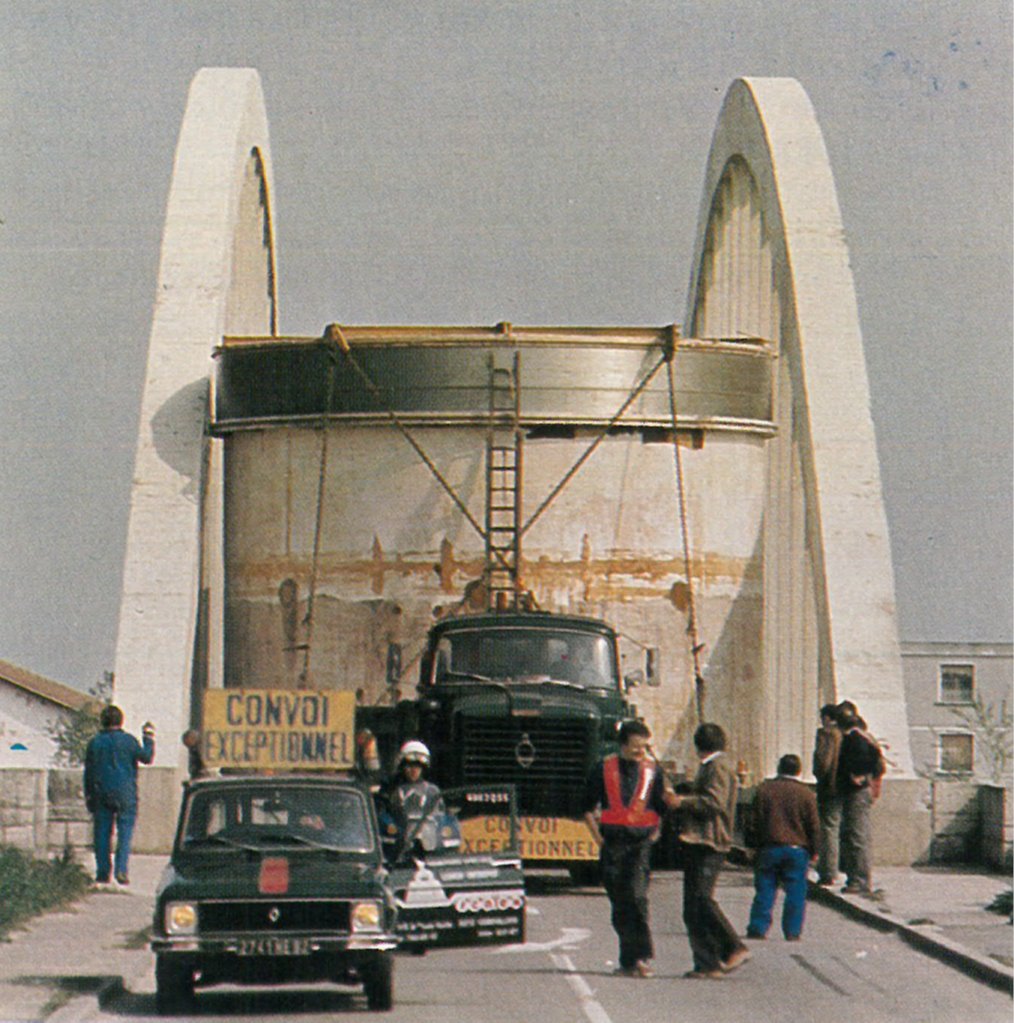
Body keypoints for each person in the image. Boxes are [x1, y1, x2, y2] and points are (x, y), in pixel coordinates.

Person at [583, 719, 676, 979]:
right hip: (612, 845)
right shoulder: (602, 769)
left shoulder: (653, 771)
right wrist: (599, 840)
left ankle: (641, 957)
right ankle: (628, 961)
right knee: (620, 904)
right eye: (636, 747)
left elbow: (662, 807)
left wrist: (656, 833)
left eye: (644, 747)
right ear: (622, 745)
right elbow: (585, 808)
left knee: (637, 897)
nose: (641, 752)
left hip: (640, 845)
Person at [669, 722, 750, 979]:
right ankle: (707, 962)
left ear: (698, 746)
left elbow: (714, 802)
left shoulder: (717, 767)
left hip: (709, 840)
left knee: (701, 899)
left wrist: (682, 802)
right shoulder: (712, 767)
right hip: (700, 839)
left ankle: (732, 947)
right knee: (692, 905)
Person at [746, 754, 820, 941]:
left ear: (779, 768)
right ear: (799, 771)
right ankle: (792, 931)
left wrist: (751, 845)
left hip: (769, 847)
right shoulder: (806, 794)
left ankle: (758, 928)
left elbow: (753, 821)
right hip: (797, 849)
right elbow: (813, 826)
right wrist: (815, 850)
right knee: (796, 892)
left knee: (765, 889)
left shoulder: (764, 790)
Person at [83, 706, 155, 886]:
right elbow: (146, 758)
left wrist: (89, 796)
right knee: (125, 832)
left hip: (101, 792)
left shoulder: (95, 743)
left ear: (102, 721)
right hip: (126, 792)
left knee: (102, 834)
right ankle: (121, 870)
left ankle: (103, 872)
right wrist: (148, 738)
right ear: (121, 721)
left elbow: (89, 773)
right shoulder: (129, 741)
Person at [835, 705, 884, 894]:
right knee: (856, 835)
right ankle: (857, 878)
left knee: (856, 836)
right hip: (859, 790)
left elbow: (867, 761)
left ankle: (859, 880)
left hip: (856, 791)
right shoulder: (863, 737)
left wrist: (858, 775)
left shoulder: (855, 739)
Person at [386, 740, 446, 859]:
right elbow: (392, 815)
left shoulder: (432, 791)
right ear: (403, 768)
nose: (413, 770)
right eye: (409, 766)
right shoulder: (398, 792)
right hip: (404, 846)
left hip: (430, 843)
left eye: (417, 766)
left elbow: (440, 815)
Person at [812, 704, 842, 886]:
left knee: (828, 829)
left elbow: (824, 762)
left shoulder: (827, 734)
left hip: (829, 786)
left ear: (827, 717)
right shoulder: (843, 734)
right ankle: (833, 868)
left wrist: (818, 773)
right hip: (842, 786)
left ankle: (828, 871)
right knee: (836, 828)